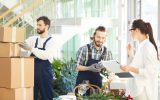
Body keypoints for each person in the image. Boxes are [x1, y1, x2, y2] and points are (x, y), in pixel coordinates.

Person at [121, 19, 160, 100]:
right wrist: (131, 54)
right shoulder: (142, 46)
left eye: (131, 30)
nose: (130, 33)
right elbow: (138, 65)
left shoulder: (148, 47)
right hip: (137, 90)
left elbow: (149, 72)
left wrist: (129, 68)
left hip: (143, 91)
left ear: (137, 30)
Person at [19, 16, 55, 100]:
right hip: (31, 74)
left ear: (46, 26)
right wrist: (28, 52)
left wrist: (31, 49)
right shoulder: (33, 39)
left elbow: (45, 55)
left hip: (45, 75)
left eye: (40, 25)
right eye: (37, 25)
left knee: (47, 97)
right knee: (31, 97)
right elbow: (20, 49)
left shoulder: (52, 41)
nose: (37, 27)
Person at [75, 26, 112, 93]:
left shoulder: (107, 52)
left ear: (105, 38)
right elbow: (77, 67)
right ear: (94, 36)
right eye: (98, 37)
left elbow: (109, 70)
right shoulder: (84, 49)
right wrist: (89, 68)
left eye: (103, 38)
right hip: (83, 85)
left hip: (97, 86)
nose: (100, 40)